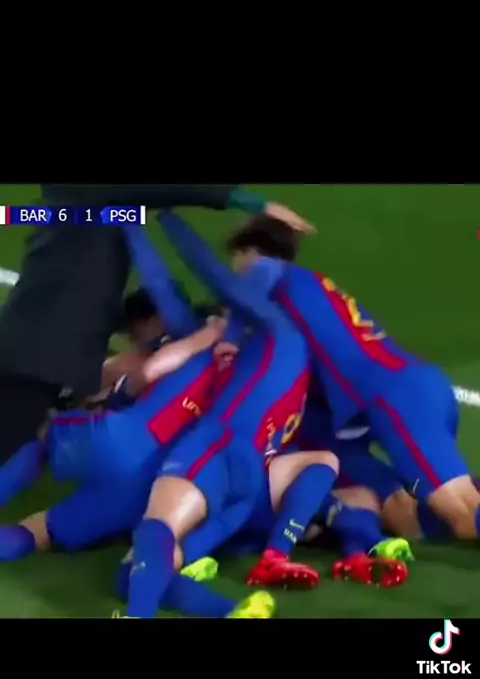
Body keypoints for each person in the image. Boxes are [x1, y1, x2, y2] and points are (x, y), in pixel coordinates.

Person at [0, 185, 314, 468]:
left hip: (42, 349)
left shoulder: (85, 205)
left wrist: (163, 219)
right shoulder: (93, 199)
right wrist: (258, 205)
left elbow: (146, 219)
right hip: (43, 354)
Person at [122, 213, 338, 619]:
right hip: (251, 481)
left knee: (152, 539)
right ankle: (235, 606)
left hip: (214, 448)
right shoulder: (291, 347)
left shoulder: (260, 330)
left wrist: (146, 215)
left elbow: (187, 278)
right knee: (151, 567)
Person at [224, 216, 480, 541]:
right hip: (409, 389)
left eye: (235, 257)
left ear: (249, 252)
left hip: (394, 399)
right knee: (425, 509)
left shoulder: (273, 275)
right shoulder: (307, 290)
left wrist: (228, 336)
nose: (233, 270)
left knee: (463, 512)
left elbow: (260, 272)